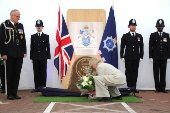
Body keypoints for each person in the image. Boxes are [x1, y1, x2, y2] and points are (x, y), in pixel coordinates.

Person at [0, 9, 27, 100]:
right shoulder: (4, 25)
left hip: (19, 53)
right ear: (11, 15)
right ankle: (10, 93)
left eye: (19, 16)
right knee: (9, 74)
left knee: (17, 74)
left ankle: (15, 92)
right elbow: (1, 40)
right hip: (9, 54)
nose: (19, 18)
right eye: (17, 16)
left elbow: (23, 39)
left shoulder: (20, 25)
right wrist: (3, 53)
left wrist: (24, 51)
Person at [120, 19, 144, 93]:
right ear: (129, 26)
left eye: (134, 26)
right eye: (132, 25)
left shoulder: (139, 36)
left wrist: (141, 56)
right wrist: (122, 56)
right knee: (128, 72)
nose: (133, 27)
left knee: (135, 72)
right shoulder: (125, 36)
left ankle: (134, 87)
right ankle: (129, 87)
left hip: (136, 58)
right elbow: (122, 47)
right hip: (128, 57)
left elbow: (141, 47)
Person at [149, 19, 170, 93]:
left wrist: (168, 57)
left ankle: (163, 88)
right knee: (156, 73)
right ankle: (157, 87)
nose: (160, 27)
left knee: (163, 73)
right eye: (159, 26)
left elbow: (168, 47)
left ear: (163, 26)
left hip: (164, 57)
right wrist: (150, 56)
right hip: (156, 57)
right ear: (156, 27)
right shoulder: (153, 35)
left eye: (161, 26)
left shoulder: (166, 35)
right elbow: (150, 46)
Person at [30, 19, 51, 93]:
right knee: (36, 72)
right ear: (36, 27)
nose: (39, 27)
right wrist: (31, 57)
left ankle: (43, 87)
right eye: (37, 26)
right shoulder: (33, 36)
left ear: (42, 27)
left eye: (40, 26)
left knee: (43, 72)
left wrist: (48, 57)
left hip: (43, 57)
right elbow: (31, 47)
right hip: (35, 57)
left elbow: (48, 47)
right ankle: (37, 87)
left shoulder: (46, 36)